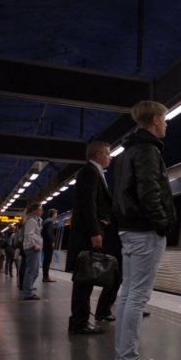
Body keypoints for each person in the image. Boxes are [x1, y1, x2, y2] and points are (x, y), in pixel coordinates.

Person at [112, 100, 175, 360]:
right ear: (154, 121)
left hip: (129, 229)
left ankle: (123, 356)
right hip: (144, 231)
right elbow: (149, 191)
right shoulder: (148, 151)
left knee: (127, 295)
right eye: (164, 118)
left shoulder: (127, 153)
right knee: (137, 296)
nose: (166, 123)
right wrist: (161, 223)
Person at [65, 142, 120, 335]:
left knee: (85, 279)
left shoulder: (94, 173)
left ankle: (80, 320)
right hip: (88, 235)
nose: (110, 157)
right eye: (107, 153)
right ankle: (79, 322)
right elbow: (88, 204)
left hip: (89, 233)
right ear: (97, 155)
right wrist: (95, 232)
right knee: (84, 279)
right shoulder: (90, 172)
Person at [19, 204, 43, 300]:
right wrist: (35, 245)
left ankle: (28, 288)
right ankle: (27, 292)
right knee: (31, 271)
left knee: (35, 271)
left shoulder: (34, 220)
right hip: (32, 248)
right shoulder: (32, 221)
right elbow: (28, 234)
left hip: (33, 248)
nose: (41, 211)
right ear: (34, 211)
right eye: (40, 209)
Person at [41, 208, 57, 282]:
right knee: (47, 260)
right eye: (56, 214)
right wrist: (52, 241)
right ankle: (46, 277)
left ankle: (45, 276)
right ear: (54, 214)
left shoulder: (46, 221)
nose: (56, 215)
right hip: (48, 244)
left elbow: (43, 232)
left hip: (45, 243)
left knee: (46, 260)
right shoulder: (50, 222)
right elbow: (49, 232)